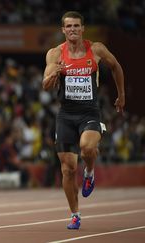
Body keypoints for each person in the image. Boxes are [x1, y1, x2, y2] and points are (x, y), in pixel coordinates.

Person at [42, 11, 125, 230]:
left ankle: (89, 172)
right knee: (68, 169)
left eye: (76, 26)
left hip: (90, 114)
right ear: (63, 30)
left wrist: (121, 94)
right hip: (66, 116)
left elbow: (116, 66)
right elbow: (46, 85)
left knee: (87, 148)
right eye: (68, 26)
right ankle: (75, 214)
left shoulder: (95, 49)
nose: (72, 30)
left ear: (82, 28)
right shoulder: (55, 54)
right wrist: (53, 75)